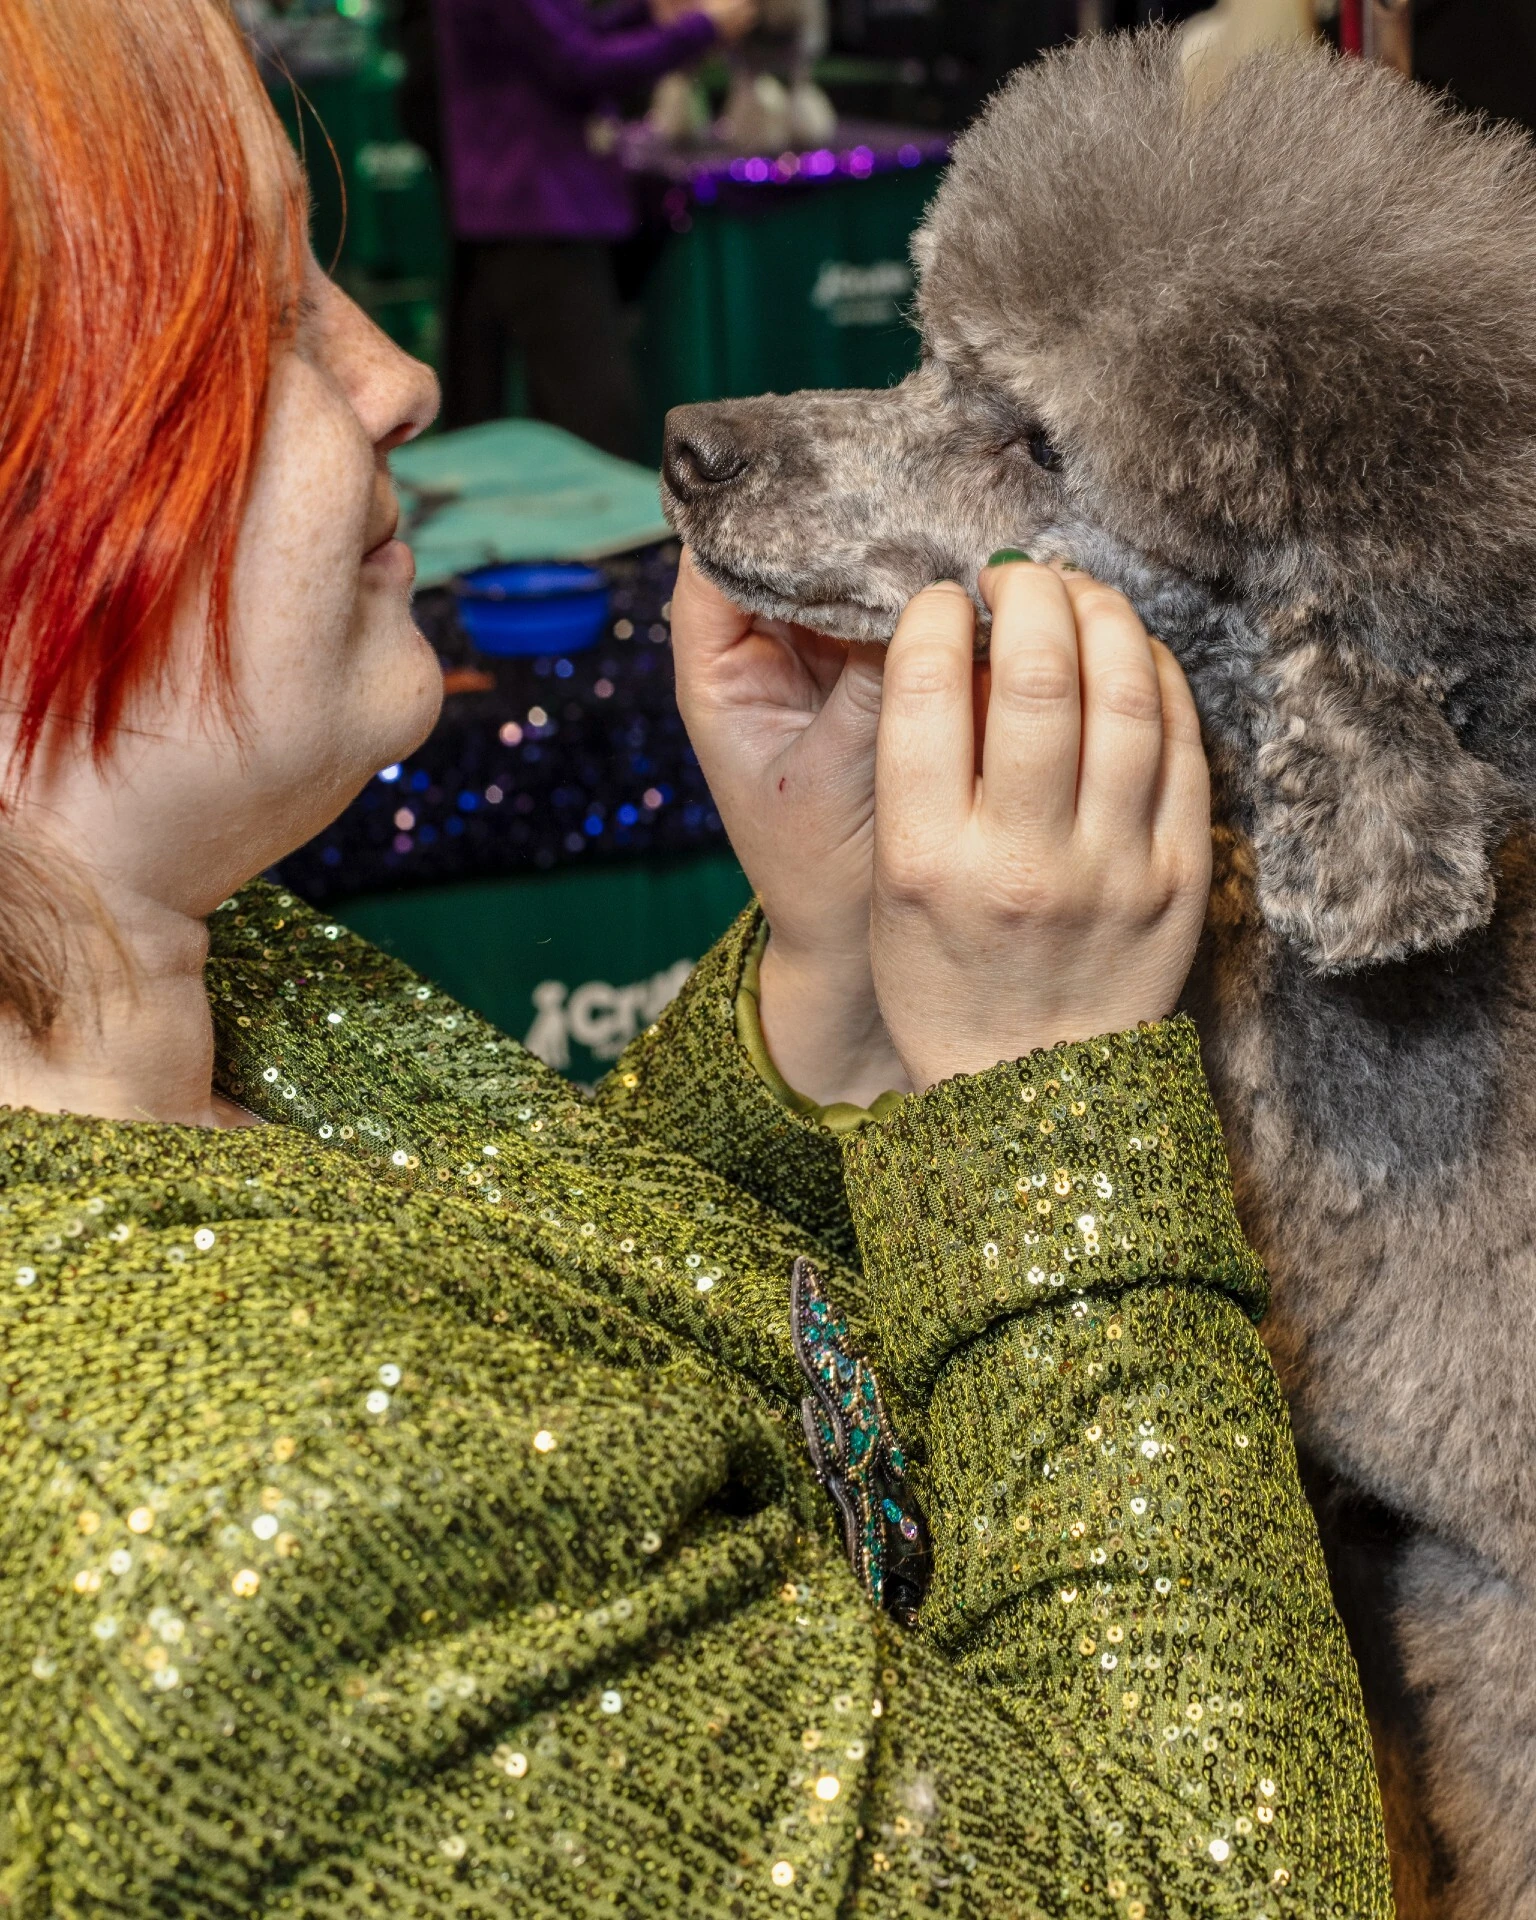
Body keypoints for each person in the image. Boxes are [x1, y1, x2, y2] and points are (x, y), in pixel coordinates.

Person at [0, 2, 1392, 1913]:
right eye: (259, 326)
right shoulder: (224, 1560)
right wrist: (1051, 1106)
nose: (399, 375)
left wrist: (827, 967)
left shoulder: (201, 973)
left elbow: (614, 1361)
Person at [433, 0, 755, 454]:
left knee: (547, 409)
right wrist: (703, 27)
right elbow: (576, 65)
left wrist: (651, 13)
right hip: (535, 213)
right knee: (593, 417)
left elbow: (570, 33)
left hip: (539, 208)